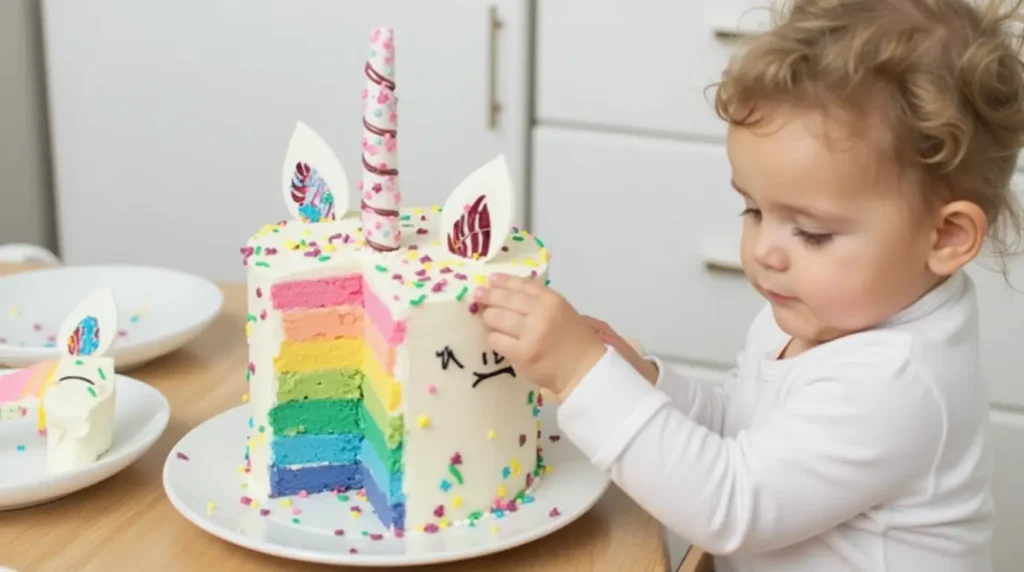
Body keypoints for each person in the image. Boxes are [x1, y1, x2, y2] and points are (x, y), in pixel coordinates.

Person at [473, 0, 1024, 570]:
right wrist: (641, 381)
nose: (763, 251)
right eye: (753, 210)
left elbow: (730, 505)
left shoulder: (897, 383)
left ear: (947, 236)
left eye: (811, 233)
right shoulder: (818, 310)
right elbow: (741, 431)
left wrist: (578, 374)